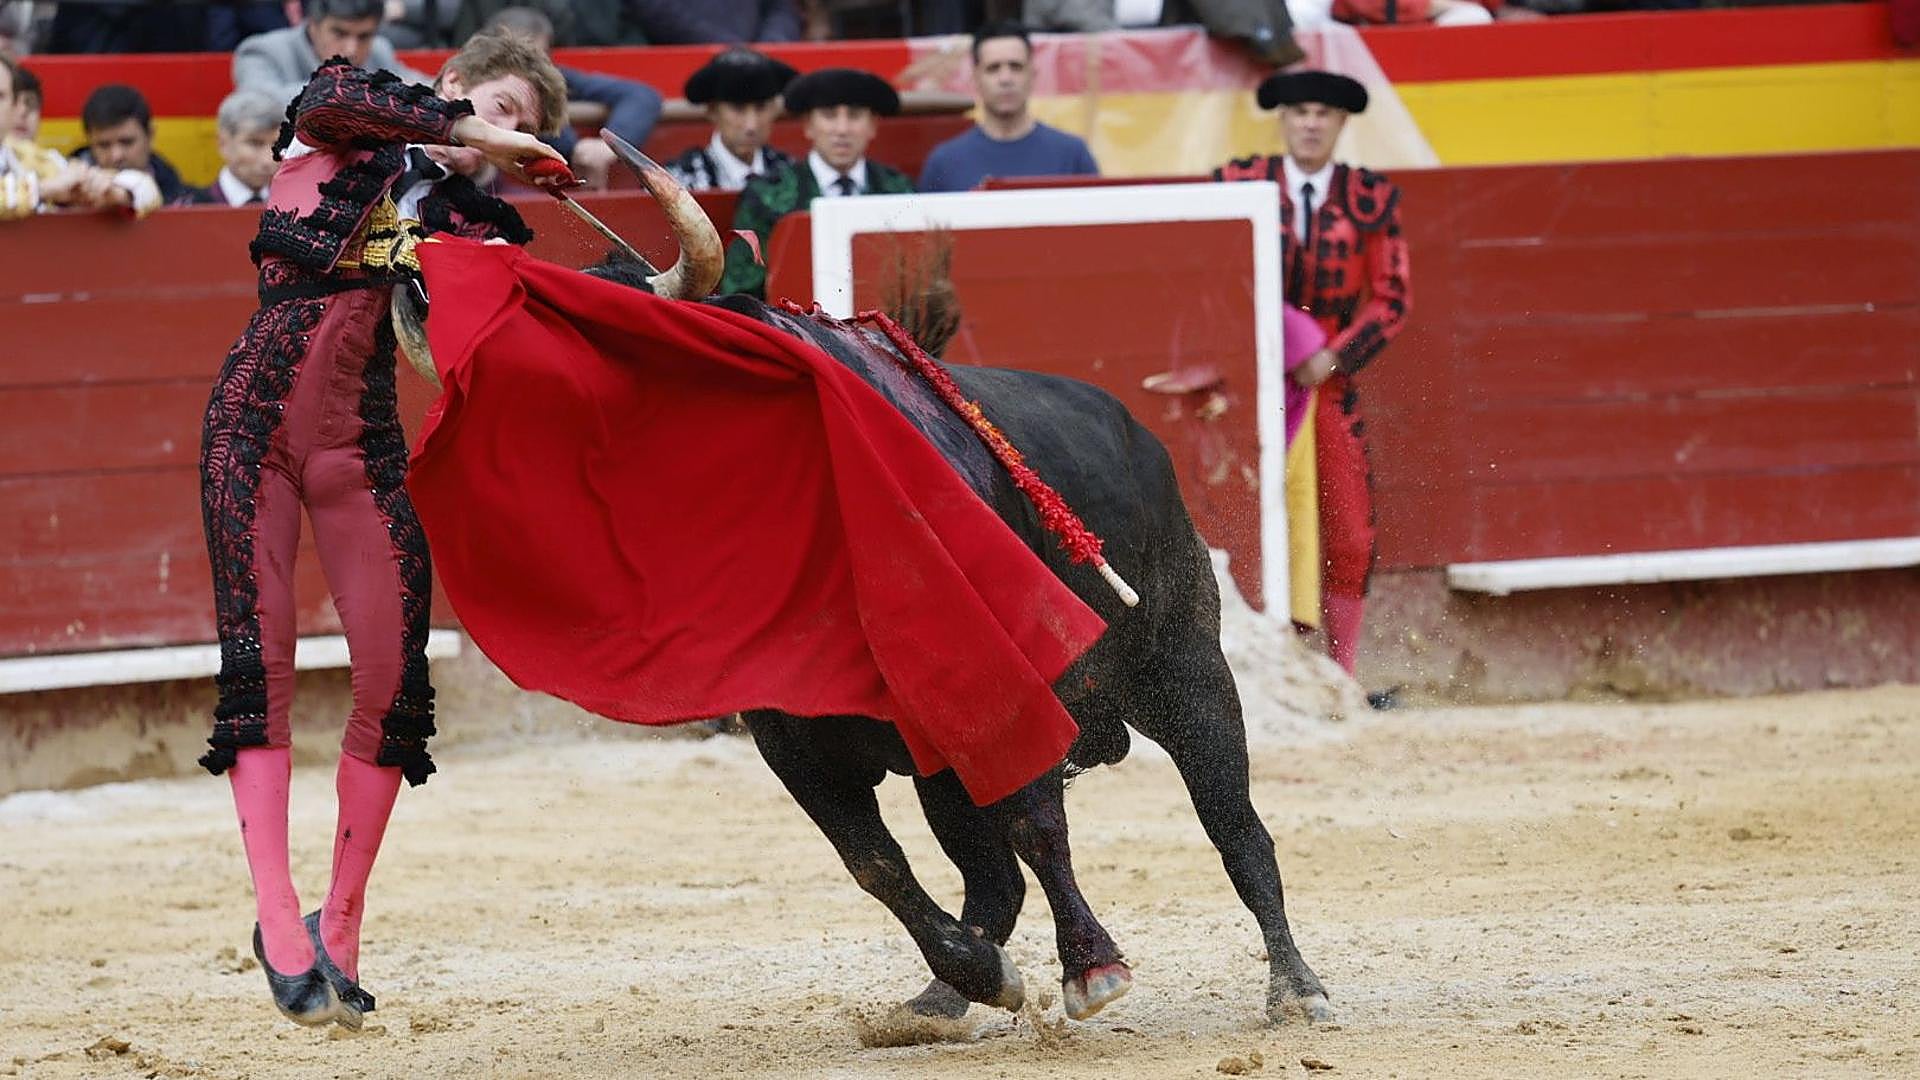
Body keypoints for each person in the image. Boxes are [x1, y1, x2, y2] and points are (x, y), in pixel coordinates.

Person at [196, 30, 567, 1030]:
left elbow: (517, 332)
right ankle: (278, 920)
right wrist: (470, 133)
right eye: (494, 106)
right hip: (254, 431)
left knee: (394, 684)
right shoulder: (341, 119)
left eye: (522, 125)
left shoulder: (476, 227)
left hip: (362, 450)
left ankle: (342, 930)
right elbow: (332, 90)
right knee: (258, 667)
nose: (502, 132)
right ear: (450, 91)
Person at [1212, 71, 1409, 682]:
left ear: (1342, 123)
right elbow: (1206, 267)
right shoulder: (1237, 183)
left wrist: (1335, 357)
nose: (1311, 123)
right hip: (1249, 377)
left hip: (1325, 381)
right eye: (1300, 111)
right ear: (1283, 118)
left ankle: (1341, 675)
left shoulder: (1369, 198)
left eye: (1324, 113)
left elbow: (1391, 298)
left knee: (1347, 528)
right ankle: (1267, 667)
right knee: (1247, 515)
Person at [719, 67, 913, 299]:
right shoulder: (765, 196)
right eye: (829, 115)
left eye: (854, 115)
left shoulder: (899, 190)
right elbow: (741, 295)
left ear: (872, 125)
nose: (842, 130)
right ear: (808, 125)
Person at [481, 6, 663, 189]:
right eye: (515, 59)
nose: (527, 71)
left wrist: (608, 146)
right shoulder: (471, 86)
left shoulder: (553, 79)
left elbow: (642, 96)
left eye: (536, 61)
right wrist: (574, 149)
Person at [917, 21, 1098, 194]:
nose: (1005, 79)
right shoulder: (944, 163)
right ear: (975, 78)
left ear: (1032, 75)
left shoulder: (1073, 155)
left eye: (1016, 67)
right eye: (993, 68)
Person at [233, 0, 430, 108]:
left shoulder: (378, 48)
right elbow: (259, 103)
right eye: (340, 33)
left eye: (364, 36)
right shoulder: (261, 51)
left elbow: (419, 84)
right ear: (313, 25)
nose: (351, 48)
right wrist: (354, 90)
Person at [663, 46, 797, 192]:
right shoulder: (678, 182)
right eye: (738, 109)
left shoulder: (793, 175)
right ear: (713, 111)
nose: (751, 125)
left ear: (774, 109)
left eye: (761, 108)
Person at [72, 84, 190, 203]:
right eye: (104, 145)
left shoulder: (187, 202)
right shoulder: (61, 202)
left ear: (150, 135)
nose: (116, 156)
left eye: (127, 142)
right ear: (89, 142)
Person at [180, 89, 284, 205]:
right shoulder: (191, 207)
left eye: (277, 145)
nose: (268, 160)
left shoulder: (297, 207)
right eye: (255, 143)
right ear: (223, 143)